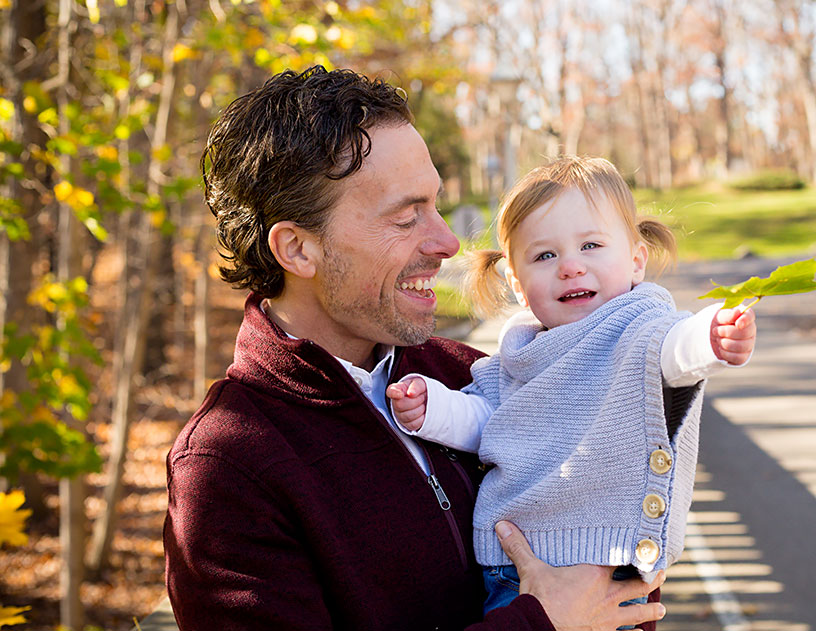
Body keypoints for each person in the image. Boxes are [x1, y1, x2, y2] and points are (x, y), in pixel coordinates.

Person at [163, 66, 668, 631]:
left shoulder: (469, 374)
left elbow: (603, 586)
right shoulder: (229, 467)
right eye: (408, 217)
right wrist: (538, 623)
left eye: (436, 205)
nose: (448, 242)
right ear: (298, 249)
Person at [385, 156, 757, 617]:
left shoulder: (639, 330)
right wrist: (432, 407)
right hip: (511, 568)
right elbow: (487, 420)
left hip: (606, 567)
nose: (570, 267)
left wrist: (712, 338)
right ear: (518, 285)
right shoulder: (517, 355)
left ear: (636, 261)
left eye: (591, 246)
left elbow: (675, 351)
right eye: (545, 255)